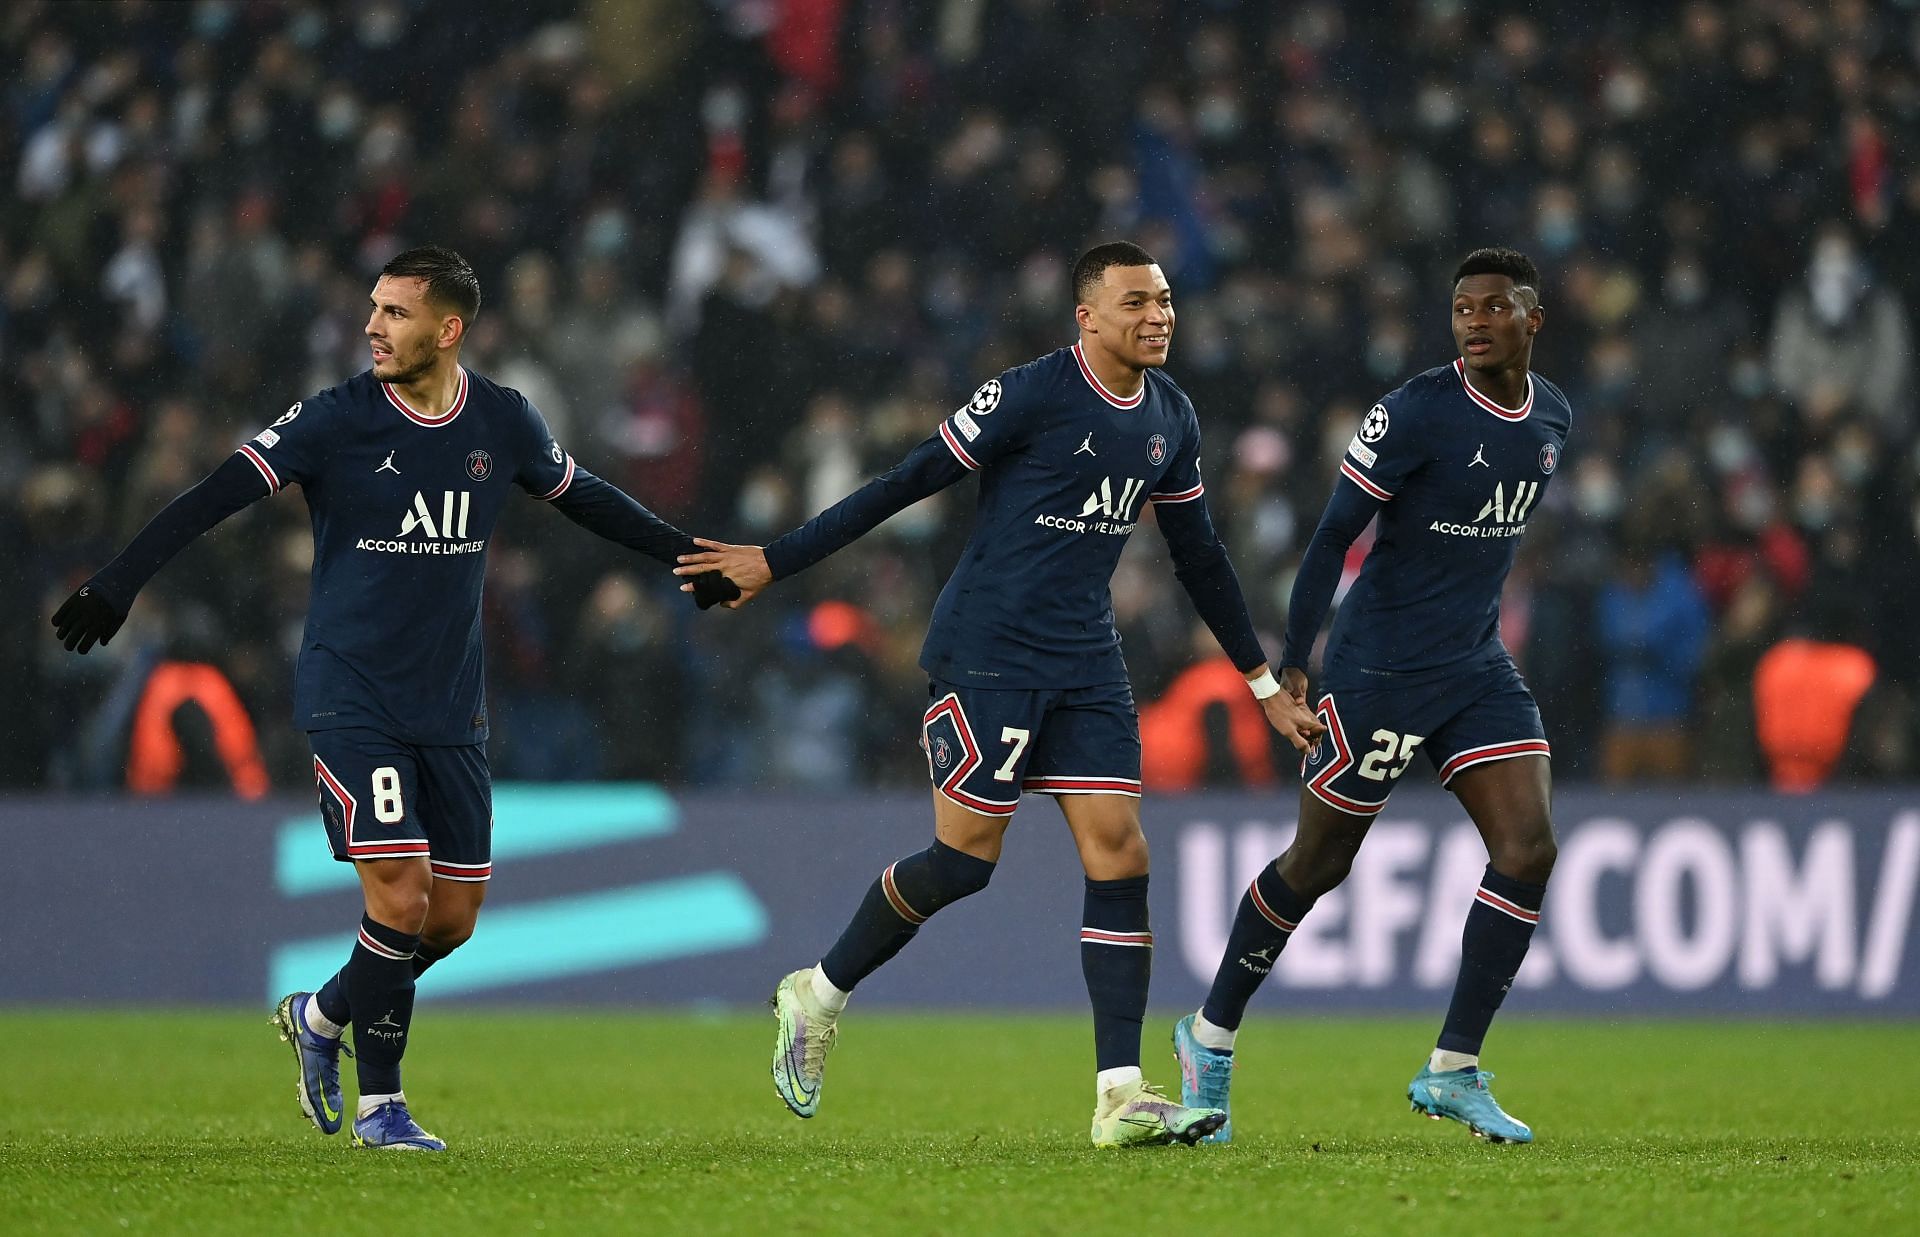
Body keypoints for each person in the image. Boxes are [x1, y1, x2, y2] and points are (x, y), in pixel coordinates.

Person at [52, 247, 737, 1151]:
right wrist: (119, 581)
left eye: (396, 312)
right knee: (402, 898)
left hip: (451, 705)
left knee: (450, 917)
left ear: (448, 329)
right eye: (372, 308)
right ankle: (384, 1107)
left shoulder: (503, 418)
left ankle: (323, 1014)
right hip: (352, 693)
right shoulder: (334, 420)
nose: (372, 326)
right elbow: (218, 492)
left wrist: (686, 554)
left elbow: (588, 499)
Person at [676, 241, 1323, 1147]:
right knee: (966, 860)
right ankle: (817, 991)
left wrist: (1260, 681)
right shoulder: (1029, 393)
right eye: (1136, 301)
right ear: (1086, 316)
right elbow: (906, 481)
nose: (1159, 315)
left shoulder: (1172, 416)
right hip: (988, 654)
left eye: (1166, 300)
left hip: (1087, 661)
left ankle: (1119, 1092)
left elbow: (1200, 555)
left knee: (1121, 853)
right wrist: (773, 561)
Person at [1172, 248, 1572, 1145]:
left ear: (1532, 320)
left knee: (1528, 845)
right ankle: (1208, 1037)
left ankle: (1454, 1069)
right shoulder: (1414, 413)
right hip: (1378, 671)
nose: (1472, 320)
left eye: (1493, 307)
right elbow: (1330, 538)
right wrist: (1296, 664)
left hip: (1472, 666)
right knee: (1318, 865)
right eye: (1461, 307)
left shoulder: (1552, 418)